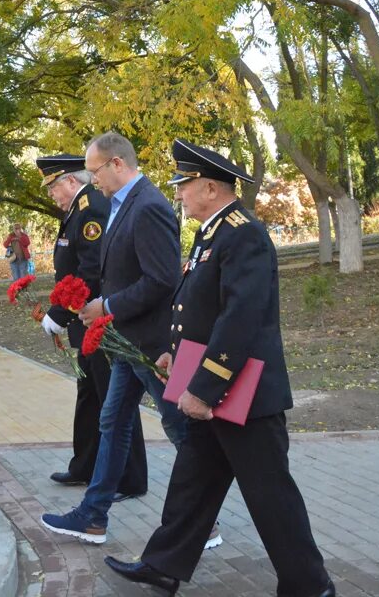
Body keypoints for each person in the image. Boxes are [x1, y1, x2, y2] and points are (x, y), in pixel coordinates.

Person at [104, 140, 334, 597]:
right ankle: (163, 565)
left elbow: (241, 320)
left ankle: (311, 585)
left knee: (270, 494)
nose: (181, 194)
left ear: (209, 187)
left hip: (243, 395)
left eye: (185, 185)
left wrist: (204, 388)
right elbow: (200, 309)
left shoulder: (242, 233)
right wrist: (176, 352)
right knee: (193, 481)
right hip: (216, 385)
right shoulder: (213, 232)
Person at [41, 132, 192, 546]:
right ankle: (93, 516)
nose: (92, 182)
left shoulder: (148, 206)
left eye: (95, 172)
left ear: (117, 164)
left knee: (180, 428)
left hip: (151, 345)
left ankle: (201, 517)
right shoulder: (122, 205)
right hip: (126, 341)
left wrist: (107, 306)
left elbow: (161, 280)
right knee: (112, 422)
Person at [35, 155, 147, 494]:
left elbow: (90, 271)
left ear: (71, 181)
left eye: (54, 187)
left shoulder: (91, 208)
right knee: (91, 395)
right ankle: (85, 465)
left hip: (98, 320)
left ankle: (131, 477)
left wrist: (60, 312)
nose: (52, 195)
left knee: (115, 398)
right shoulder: (77, 210)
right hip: (84, 321)